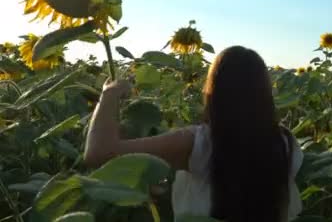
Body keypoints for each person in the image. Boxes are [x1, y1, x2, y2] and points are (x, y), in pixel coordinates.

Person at [84, 46, 303, 222]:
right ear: (264, 92)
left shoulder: (197, 142)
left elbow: (99, 153)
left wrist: (109, 95)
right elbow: (246, 184)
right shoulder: (287, 145)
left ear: (213, 90)